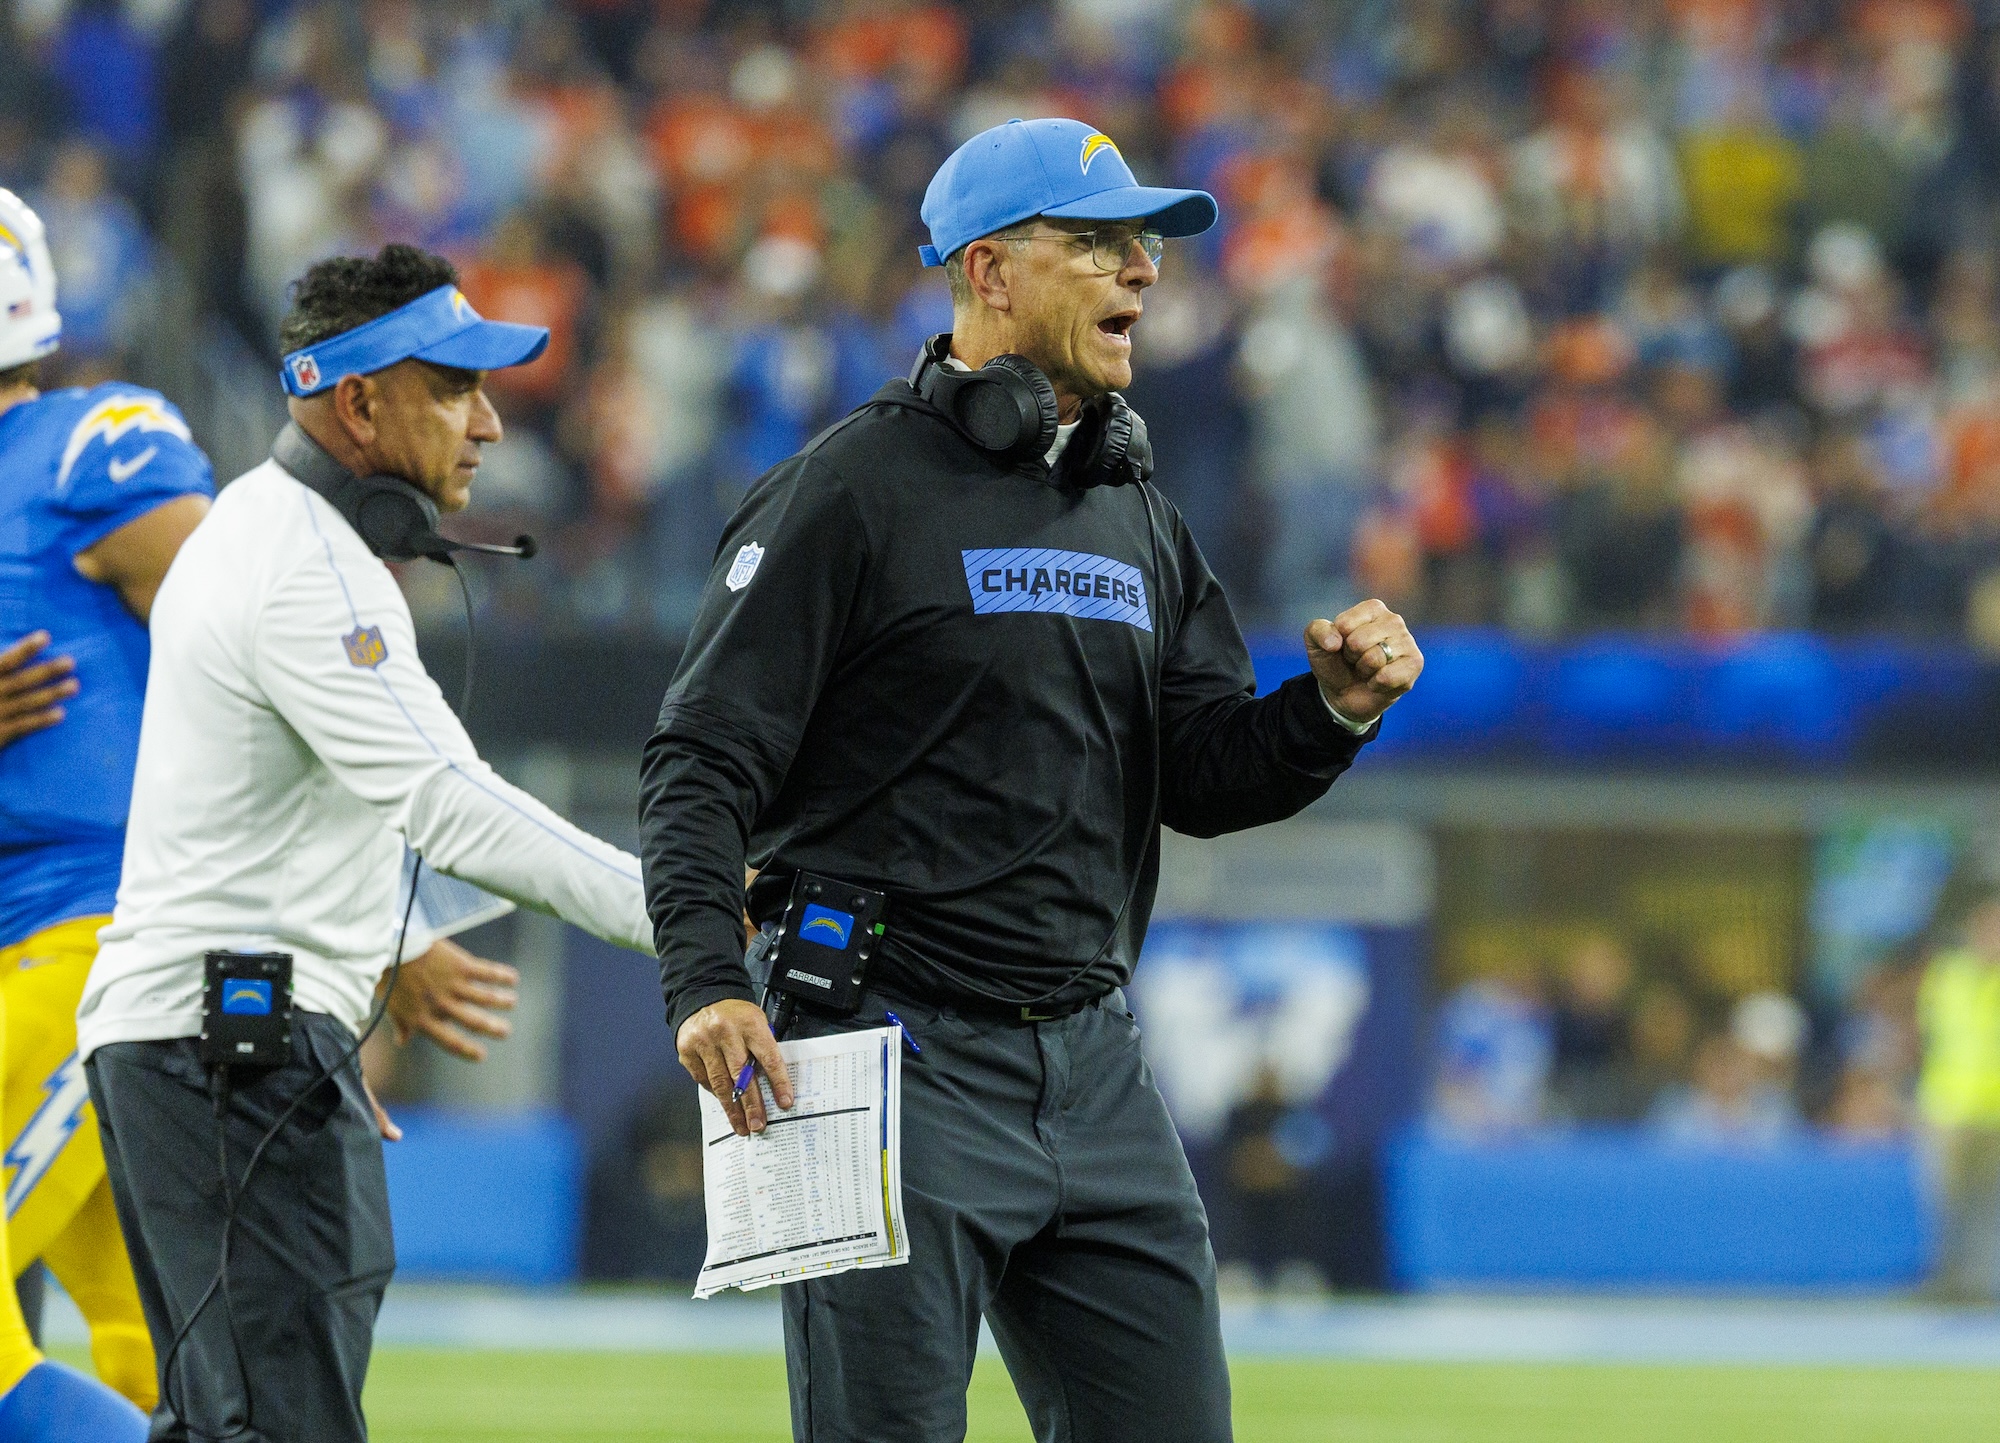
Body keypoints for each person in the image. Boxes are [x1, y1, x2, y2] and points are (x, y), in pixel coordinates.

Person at [640, 118, 1423, 1442]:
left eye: (1148, 245)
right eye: (1099, 243)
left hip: (1095, 1059)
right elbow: (698, 755)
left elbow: (1207, 770)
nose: (1143, 271)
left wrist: (1330, 712)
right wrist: (707, 974)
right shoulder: (851, 488)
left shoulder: (1135, 513)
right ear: (989, 272)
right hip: (878, 1047)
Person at [76, 243, 656, 1443]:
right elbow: (451, 800)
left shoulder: (256, 529)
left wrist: (381, 942)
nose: (489, 424)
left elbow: (269, 801)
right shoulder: (309, 571)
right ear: (358, 401)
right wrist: (683, 908)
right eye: (454, 387)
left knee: (233, 1421)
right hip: (231, 1049)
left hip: (216, 1041)